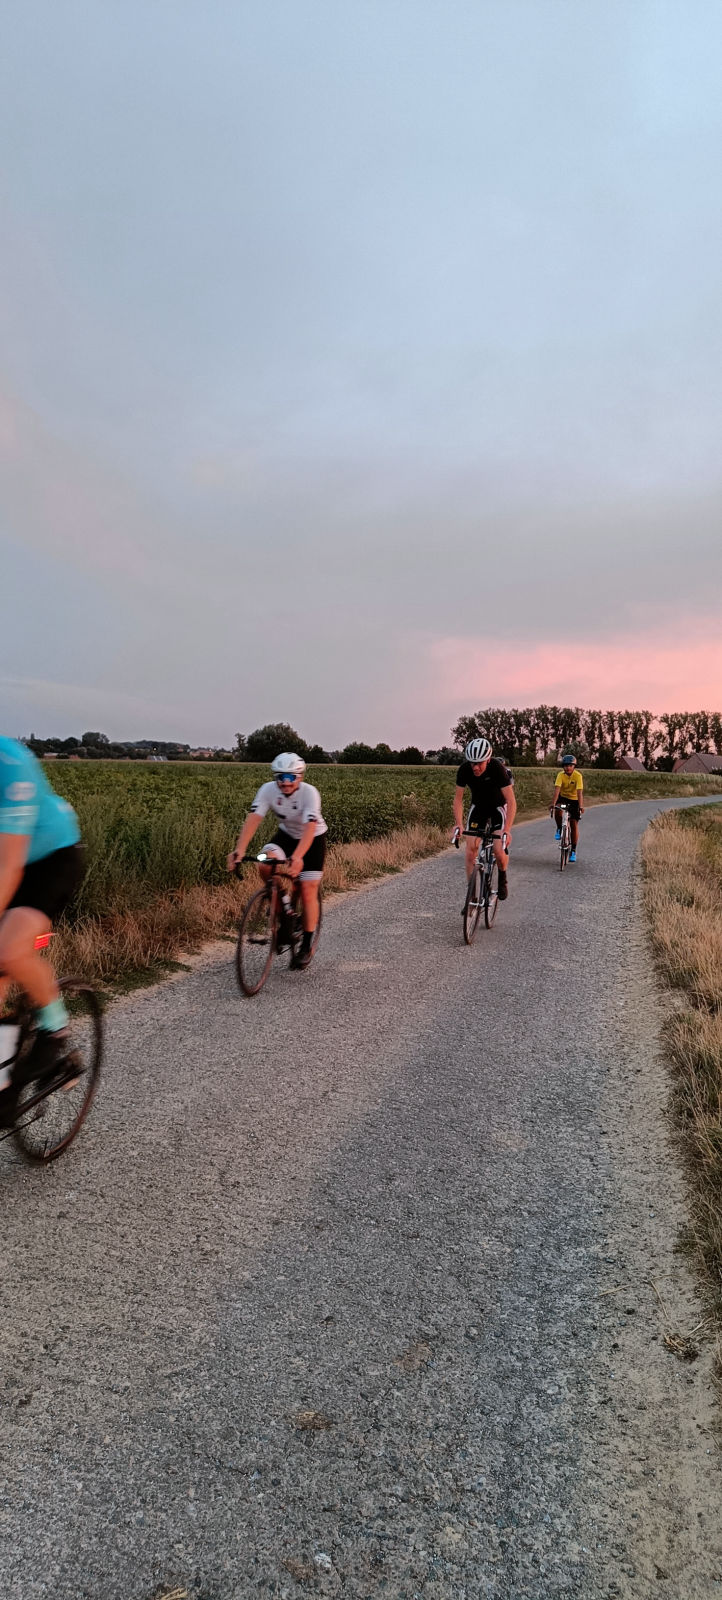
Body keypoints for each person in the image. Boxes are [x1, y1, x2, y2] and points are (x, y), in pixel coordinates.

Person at [0, 737, 85, 1125]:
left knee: (10, 950)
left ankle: (55, 1031)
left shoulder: (11, 762)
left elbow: (10, 865)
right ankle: (4, 1079)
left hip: (50, 859)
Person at [227, 752, 327, 969]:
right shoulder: (268, 790)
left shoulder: (310, 794)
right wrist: (240, 850)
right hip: (286, 835)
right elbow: (254, 818)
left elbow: (310, 828)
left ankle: (306, 944)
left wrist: (298, 858)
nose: (284, 782)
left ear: (300, 777)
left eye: (290, 777)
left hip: (313, 839)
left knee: (308, 888)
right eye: (279, 777)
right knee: (265, 864)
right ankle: (284, 911)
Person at [452, 737, 516, 902]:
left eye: (479, 763)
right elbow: (458, 799)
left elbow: (511, 800)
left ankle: (502, 876)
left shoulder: (497, 768)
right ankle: (472, 895)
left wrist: (507, 830)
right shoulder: (465, 770)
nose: (475, 767)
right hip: (478, 808)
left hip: (497, 808)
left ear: (488, 759)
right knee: (470, 851)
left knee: (498, 850)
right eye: (472, 763)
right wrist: (458, 824)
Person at [550, 751, 584, 861]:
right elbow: (557, 790)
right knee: (558, 810)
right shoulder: (560, 775)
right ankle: (560, 828)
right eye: (565, 766)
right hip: (563, 798)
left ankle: (573, 850)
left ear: (574, 766)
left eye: (570, 766)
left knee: (574, 824)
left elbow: (579, 792)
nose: (568, 768)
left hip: (574, 800)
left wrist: (581, 806)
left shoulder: (578, 776)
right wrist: (553, 803)